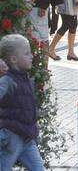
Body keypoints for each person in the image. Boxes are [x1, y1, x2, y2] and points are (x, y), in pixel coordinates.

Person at [0, 34, 45, 170]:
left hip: (27, 137)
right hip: (11, 136)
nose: (31, 56)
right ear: (14, 59)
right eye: (26, 54)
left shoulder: (25, 79)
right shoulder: (7, 81)